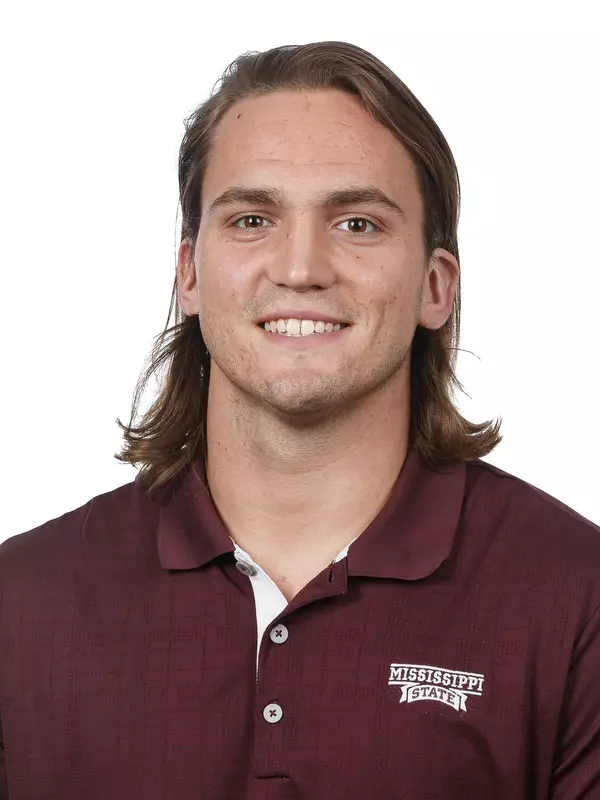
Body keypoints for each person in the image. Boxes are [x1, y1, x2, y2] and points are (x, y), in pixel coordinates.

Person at [0, 39, 599, 800]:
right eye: (252, 219)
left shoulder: (576, 597)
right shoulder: (22, 602)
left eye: (357, 224)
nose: (300, 267)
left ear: (435, 286)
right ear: (188, 274)